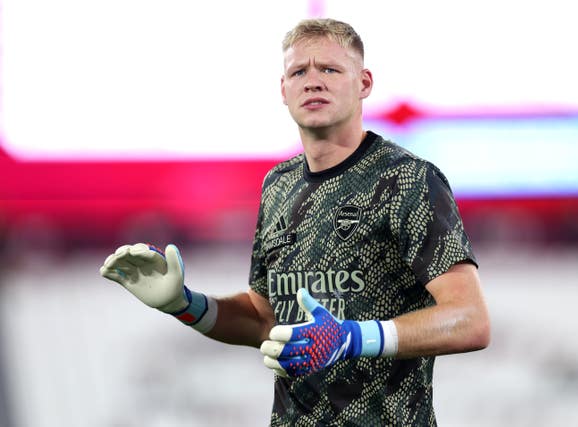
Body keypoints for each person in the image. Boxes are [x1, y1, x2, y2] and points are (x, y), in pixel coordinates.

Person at [100, 18, 490, 426]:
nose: (313, 81)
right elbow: (265, 319)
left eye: (330, 69)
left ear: (364, 83)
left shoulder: (407, 179)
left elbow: (470, 319)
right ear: (283, 90)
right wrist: (185, 305)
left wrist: (354, 338)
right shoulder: (278, 185)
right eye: (299, 71)